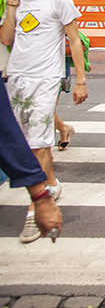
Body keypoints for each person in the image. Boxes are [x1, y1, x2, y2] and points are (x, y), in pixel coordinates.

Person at [1, 0, 87, 243]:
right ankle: (50, 183)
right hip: (15, 78)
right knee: (23, 142)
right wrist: (11, 7)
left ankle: (34, 208)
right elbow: (7, 37)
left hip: (46, 78)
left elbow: (74, 41)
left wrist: (80, 80)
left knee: (38, 144)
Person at [0, 79, 64, 242]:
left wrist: (39, 197)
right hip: (17, 75)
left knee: (38, 141)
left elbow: (6, 133)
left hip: (43, 76)